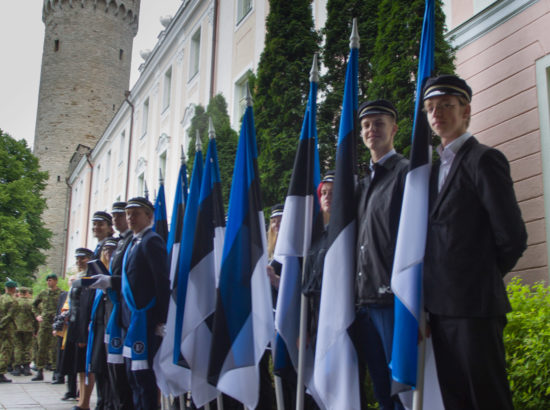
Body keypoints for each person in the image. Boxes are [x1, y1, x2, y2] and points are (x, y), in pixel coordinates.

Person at [422, 74, 527, 410]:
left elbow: (512, 236)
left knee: (487, 399)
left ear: (465, 110)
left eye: (446, 106)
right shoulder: (435, 170)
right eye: (431, 108)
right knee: (456, 400)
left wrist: (478, 275)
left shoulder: (484, 159)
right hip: (441, 309)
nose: (437, 113)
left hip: (475, 308)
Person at [351, 99, 408, 410]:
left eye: (379, 123)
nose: (372, 129)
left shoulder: (406, 172)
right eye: (366, 125)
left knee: (402, 389)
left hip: (392, 303)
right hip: (364, 304)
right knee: (382, 392)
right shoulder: (363, 184)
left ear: (394, 129)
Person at [91, 197, 170, 410]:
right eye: (128, 214)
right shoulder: (133, 243)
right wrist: (109, 281)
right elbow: (132, 279)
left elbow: (161, 281)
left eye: (136, 213)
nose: (130, 218)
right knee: (132, 377)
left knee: (143, 379)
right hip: (130, 319)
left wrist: (162, 318)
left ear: (149, 216)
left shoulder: (151, 240)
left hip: (146, 318)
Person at [60, 247, 96, 407]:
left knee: (85, 364)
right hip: (74, 324)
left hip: (83, 324)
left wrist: (83, 330)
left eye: (83, 258)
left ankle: (85, 401)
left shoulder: (90, 279)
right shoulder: (78, 278)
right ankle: (82, 400)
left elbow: (86, 306)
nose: (79, 262)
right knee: (79, 366)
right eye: (78, 259)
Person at [32, 273, 63, 381]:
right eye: (48, 280)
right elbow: (34, 305)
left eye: (50, 280)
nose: (49, 282)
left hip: (55, 322)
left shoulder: (61, 293)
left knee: (54, 347)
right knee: (41, 347)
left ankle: (55, 371)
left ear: (55, 281)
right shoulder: (43, 293)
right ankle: (39, 370)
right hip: (44, 323)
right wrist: (37, 315)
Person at [12, 286, 36, 377]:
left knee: (18, 347)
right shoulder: (31, 302)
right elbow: (35, 316)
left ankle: (17, 367)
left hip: (16, 328)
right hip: (29, 328)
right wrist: (36, 329)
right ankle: (26, 367)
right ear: (27, 293)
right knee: (28, 347)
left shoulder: (15, 302)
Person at [0, 280, 18, 383]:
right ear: (13, 289)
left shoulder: (1, 298)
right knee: (6, 350)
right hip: (7, 328)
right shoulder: (13, 301)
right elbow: (10, 316)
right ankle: (1, 372)